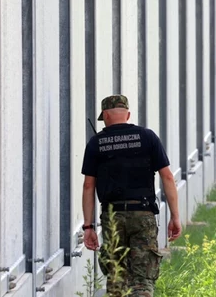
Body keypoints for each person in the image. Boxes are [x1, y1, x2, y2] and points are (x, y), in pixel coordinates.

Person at [81, 95, 182, 295]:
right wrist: (175, 216)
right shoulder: (148, 137)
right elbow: (168, 177)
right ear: (127, 114)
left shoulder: (96, 143)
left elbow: (88, 186)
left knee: (117, 279)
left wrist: (88, 226)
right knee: (142, 280)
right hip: (143, 214)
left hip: (113, 217)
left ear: (106, 116)